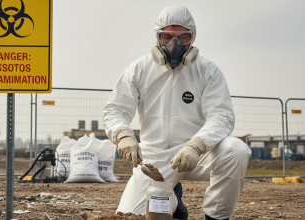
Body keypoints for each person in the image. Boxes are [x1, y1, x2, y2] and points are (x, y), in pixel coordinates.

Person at [103, 6, 251, 220]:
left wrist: (196, 145)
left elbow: (221, 116)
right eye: (167, 37)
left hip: (197, 154)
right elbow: (116, 108)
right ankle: (172, 198)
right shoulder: (139, 69)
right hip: (153, 160)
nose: (175, 44)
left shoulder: (207, 70)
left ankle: (216, 216)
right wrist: (123, 135)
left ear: (192, 38)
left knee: (236, 150)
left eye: (183, 37)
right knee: (132, 215)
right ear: (157, 38)